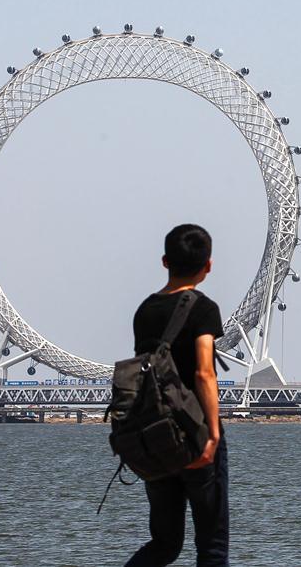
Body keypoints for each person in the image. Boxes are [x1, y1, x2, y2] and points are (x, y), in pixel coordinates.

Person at [125, 224, 229, 567]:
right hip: (196, 433)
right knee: (211, 547)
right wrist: (212, 434)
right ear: (208, 265)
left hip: (156, 436)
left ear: (165, 261)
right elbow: (204, 372)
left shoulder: (145, 310)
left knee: (165, 544)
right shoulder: (203, 309)